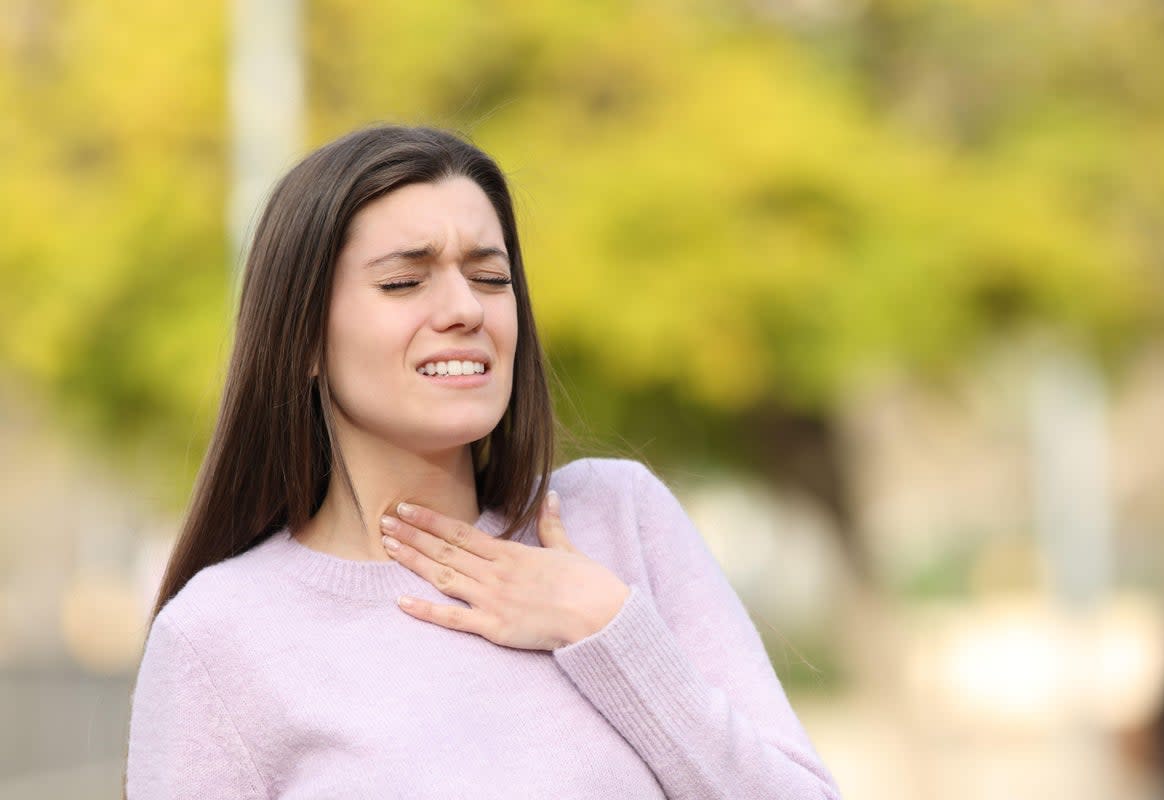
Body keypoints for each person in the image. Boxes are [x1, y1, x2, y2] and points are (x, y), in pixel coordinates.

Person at [124, 124, 842, 799]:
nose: (465, 308)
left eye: (491, 278)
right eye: (406, 281)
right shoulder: (218, 635)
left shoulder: (618, 520)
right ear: (304, 337)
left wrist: (607, 629)